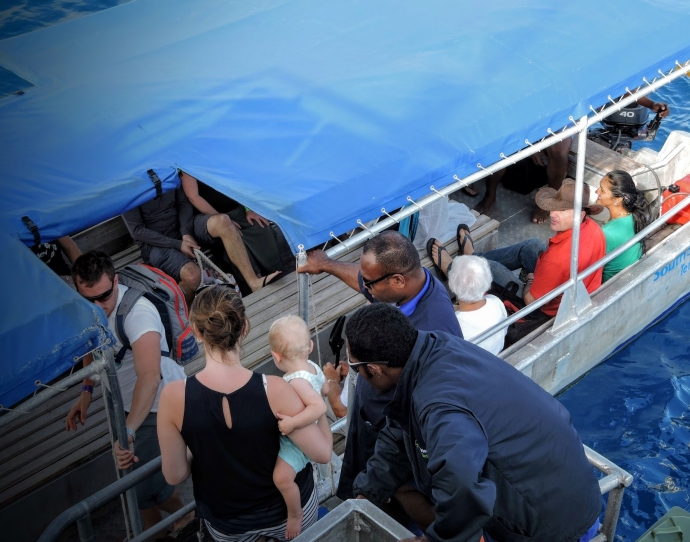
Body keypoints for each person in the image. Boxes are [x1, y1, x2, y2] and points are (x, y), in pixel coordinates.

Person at [347, 304, 603, 542]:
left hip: (554, 526)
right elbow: (400, 428)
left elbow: (462, 488)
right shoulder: (434, 346)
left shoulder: (438, 405)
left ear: (374, 369)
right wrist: (367, 491)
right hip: (563, 487)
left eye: (353, 365)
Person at [296, 230, 462, 511]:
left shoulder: (433, 331)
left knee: (400, 489)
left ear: (397, 281)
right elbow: (366, 281)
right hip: (370, 423)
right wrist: (326, 264)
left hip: (398, 434)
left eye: (370, 284)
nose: (365, 288)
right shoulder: (405, 287)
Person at [157, 286, 332, 542]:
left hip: (228, 523)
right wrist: (320, 410)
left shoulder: (173, 396)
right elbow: (322, 453)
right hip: (289, 513)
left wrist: (197, 442)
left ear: (197, 331)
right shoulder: (276, 389)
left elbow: (174, 475)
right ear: (245, 327)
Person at [66, 251, 192, 538]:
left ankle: (188, 516)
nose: (98, 306)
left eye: (105, 296)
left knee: (148, 485)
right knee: (136, 481)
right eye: (90, 300)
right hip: (124, 402)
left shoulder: (139, 314)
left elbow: (149, 380)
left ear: (116, 281)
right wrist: (86, 392)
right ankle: (151, 529)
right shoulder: (94, 308)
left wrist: (129, 431)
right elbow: (92, 342)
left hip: (157, 405)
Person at [473, 96, 669, 222]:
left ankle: (550, 198)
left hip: (562, 113)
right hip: (530, 108)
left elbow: (624, 92)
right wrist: (532, 144)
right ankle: (490, 194)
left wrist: (652, 105)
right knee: (501, 148)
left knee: (559, 152)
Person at [432, 180, 605, 319]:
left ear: (580, 214)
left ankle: (452, 268)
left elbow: (530, 301)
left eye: (562, 210)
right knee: (531, 246)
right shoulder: (594, 228)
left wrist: (531, 280)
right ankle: (473, 256)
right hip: (566, 292)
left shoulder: (556, 259)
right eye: (554, 208)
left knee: (490, 267)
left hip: (542, 311)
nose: (552, 214)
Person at [123, 184, 279, 304]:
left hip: (184, 228)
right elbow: (137, 231)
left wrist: (186, 234)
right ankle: (186, 315)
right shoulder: (127, 186)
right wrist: (178, 244)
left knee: (223, 221)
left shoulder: (164, 170)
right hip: (157, 244)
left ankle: (254, 282)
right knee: (192, 276)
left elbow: (183, 203)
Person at [268, 315, 329, 539]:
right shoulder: (312, 367)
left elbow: (318, 408)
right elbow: (322, 391)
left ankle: (295, 514)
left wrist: (292, 423)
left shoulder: (295, 381)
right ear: (311, 346)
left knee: (281, 479)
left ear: (276, 356)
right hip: (309, 434)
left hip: (297, 444)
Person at [180, 172, 289, 277]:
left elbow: (239, 180)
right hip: (209, 216)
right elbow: (193, 196)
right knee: (236, 237)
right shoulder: (186, 163)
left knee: (259, 226)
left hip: (237, 208)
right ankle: (258, 279)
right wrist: (223, 219)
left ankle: (276, 271)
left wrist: (249, 208)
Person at [595, 169, 657, 281]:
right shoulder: (633, 215)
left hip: (606, 286)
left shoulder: (607, 233)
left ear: (617, 200)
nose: (596, 191)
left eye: (602, 190)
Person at [446, 255, 507, 355]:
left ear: (452, 285)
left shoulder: (454, 325)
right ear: (488, 280)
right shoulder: (495, 302)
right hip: (497, 351)